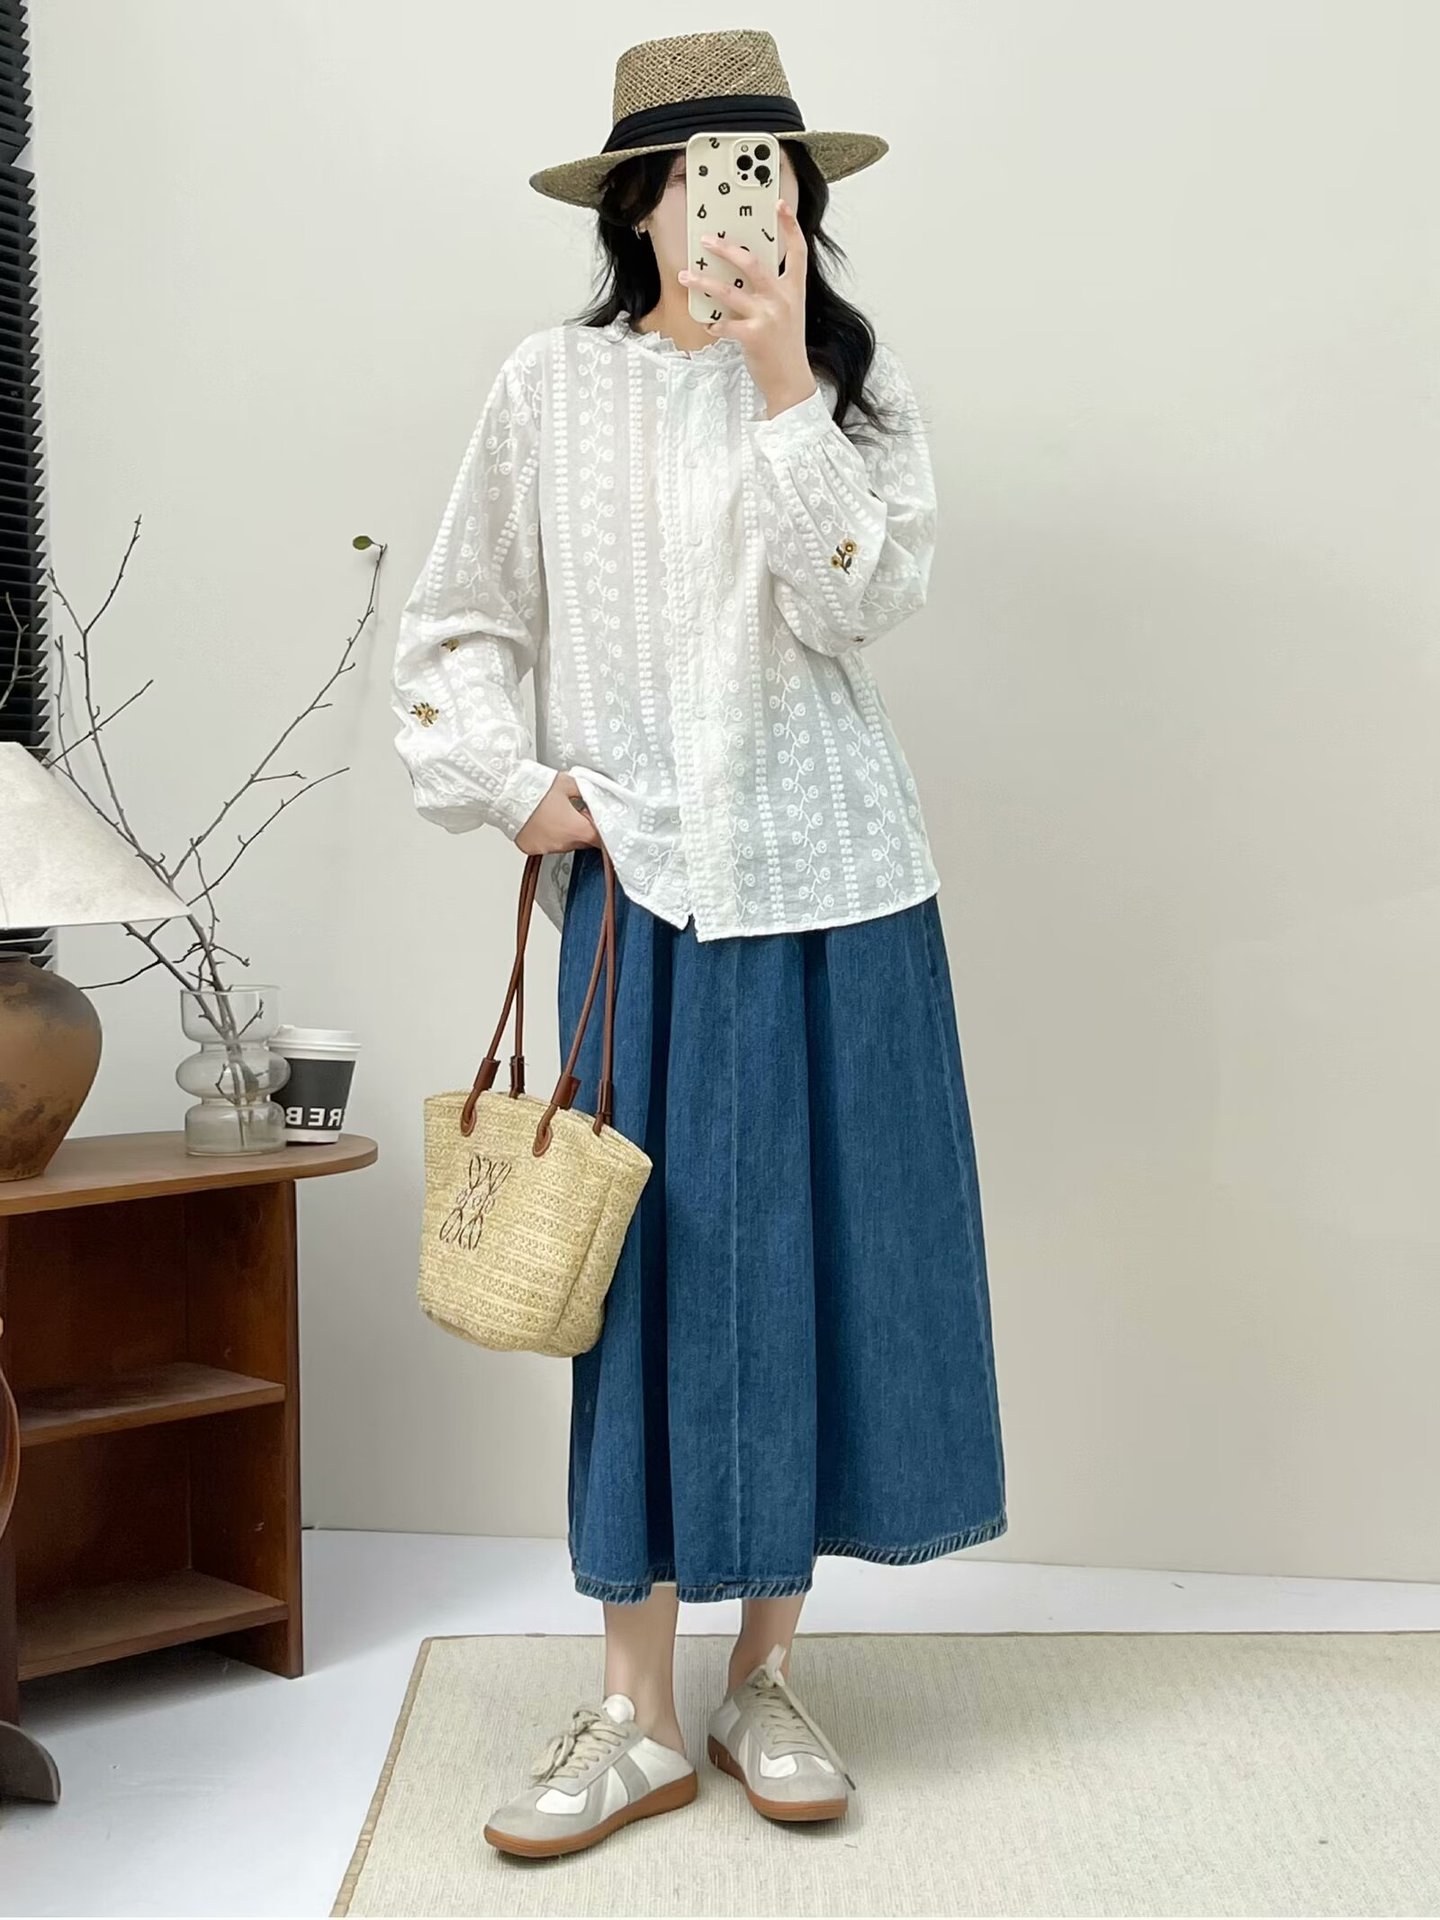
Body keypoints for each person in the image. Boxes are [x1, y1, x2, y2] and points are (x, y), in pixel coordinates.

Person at [390, 26, 1007, 1862]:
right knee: (643, 1296)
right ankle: (634, 1711)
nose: (727, 209)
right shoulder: (550, 385)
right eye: (691, 178)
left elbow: (864, 607)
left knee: (816, 1278)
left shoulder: (849, 394)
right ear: (638, 207)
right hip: (642, 903)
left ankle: (768, 1677)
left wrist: (780, 377)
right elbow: (458, 617)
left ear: (798, 206)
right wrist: (512, 788)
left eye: (760, 177)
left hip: (839, 891)